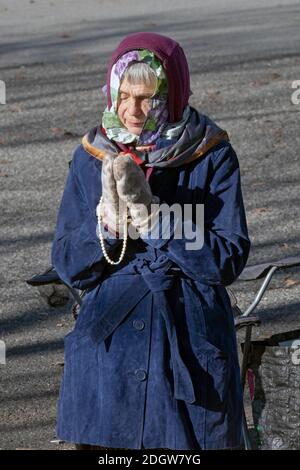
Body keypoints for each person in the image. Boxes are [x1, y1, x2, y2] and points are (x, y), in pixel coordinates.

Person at [51, 32, 250, 450]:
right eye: (123, 95)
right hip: (112, 346)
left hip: (189, 342)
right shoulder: (93, 156)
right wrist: (106, 227)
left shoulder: (211, 154)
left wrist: (159, 221)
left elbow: (227, 257)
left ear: (173, 95)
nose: (133, 111)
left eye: (148, 97)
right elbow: (67, 261)